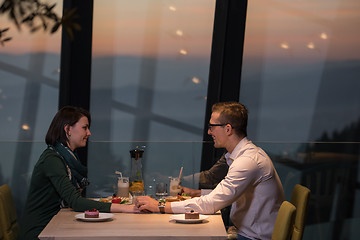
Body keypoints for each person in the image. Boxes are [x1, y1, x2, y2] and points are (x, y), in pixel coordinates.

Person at [135, 102, 285, 240]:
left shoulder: (247, 162)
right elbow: (226, 194)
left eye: (212, 126)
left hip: (252, 237)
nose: (208, 132)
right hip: (243, 231)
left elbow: (211, 204)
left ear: (228, 129)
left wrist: (158, 206)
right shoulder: (243, 156)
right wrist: (197, 193)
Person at [18, 106, 139, 240]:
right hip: (40, 232)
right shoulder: (52, 160)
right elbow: (75, 202)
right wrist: (126, 208)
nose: (89, 133)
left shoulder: (67, 157)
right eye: (84, 128)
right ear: (68, 129)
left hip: (56, 226)